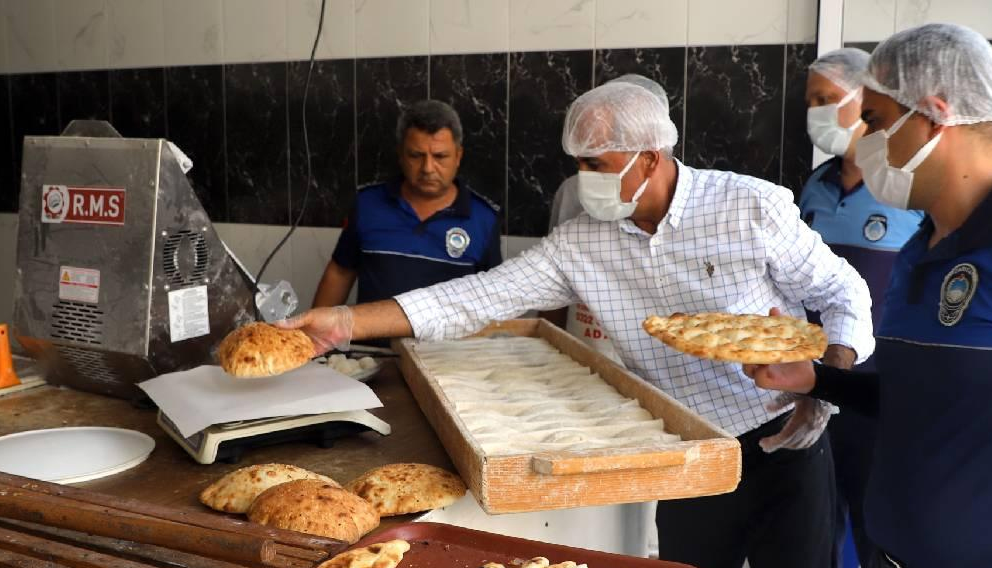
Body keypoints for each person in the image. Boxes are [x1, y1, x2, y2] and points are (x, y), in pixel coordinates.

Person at [282, 81, 876, 568]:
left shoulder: (748, 207)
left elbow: (842, 289)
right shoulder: (581, 244)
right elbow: (476, 297)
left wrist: (823, 387)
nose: (585, 179)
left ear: (650, 157)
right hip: (683, 454)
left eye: (598, 164)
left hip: (784, 441)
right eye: (580, 164)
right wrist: (343, 320)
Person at [745, 23, 992, 568]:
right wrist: (818, 379)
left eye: (875, 120)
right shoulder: (923, 247)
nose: (865, 136)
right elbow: (918, 394)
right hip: (895, 548)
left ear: (934, 114)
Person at [799, 47, 924, 568]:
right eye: (811, 101)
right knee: (817, 517)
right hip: (818, 377)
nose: (817, 112)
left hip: (881, 383)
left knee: (875, 519)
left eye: (829, 99)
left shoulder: (908, 186)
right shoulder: (814, 186)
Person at [311, 100, 502, 310]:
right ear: (401, 155)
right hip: (372, 343)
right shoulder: (368, 205)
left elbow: (493, 299)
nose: (428, 168)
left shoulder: (483, 219)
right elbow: (340, 272)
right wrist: (312, 339)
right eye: (416, 156)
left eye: (440, 156)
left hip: (447, 343)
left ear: (458, 156)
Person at [543, 73, 672, 368]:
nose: (586, 173)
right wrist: (549, 350)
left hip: (647, 371)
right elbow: (551, 286)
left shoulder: (676, 205)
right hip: (583, 358)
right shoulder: (572, 194)